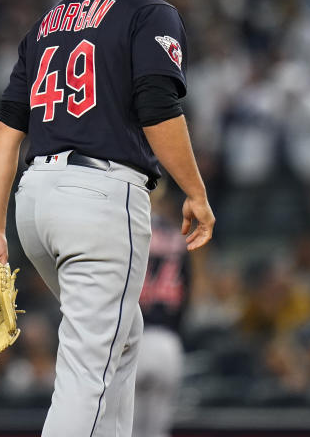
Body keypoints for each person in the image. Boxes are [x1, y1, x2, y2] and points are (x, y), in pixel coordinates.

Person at [0, 0, 215, 437]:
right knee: (90, 369)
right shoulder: (151, 12)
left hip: (36, 202)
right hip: (99, 198)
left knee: (122, 339)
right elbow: (158, 109)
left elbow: (6, 130)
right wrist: (195, 193)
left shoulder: (50, 21)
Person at [133, 183, 191, 437]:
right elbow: (187, 292)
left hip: (132, 340)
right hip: (168, 340)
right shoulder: (177, 238)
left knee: (125, 428)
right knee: (157, 431)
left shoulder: (128, 232)